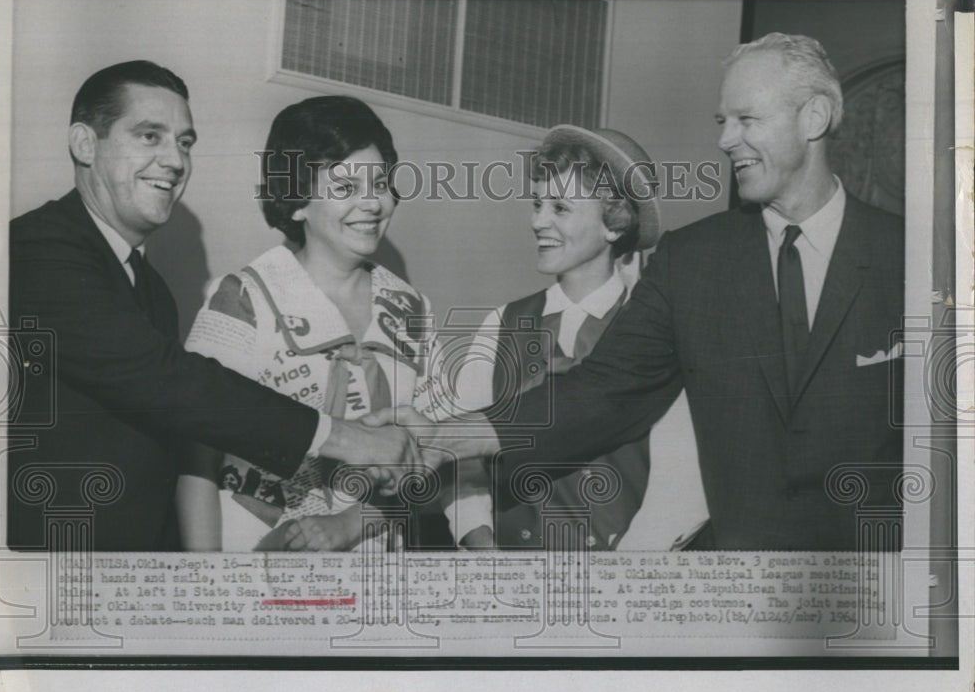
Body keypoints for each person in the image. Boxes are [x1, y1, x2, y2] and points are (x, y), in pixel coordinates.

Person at [369, 33, 904, 551]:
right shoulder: (692, 258)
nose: (724, 140)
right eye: (723, 121)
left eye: (748, 119)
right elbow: (602, 390)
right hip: (734, 589)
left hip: (870, 588)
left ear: (813, 118)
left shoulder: (909, 258)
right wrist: (446, 435)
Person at [7, 62, 418, 552]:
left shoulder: (148, 284)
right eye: (149, 136)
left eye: (184, 142)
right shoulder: (38, 246)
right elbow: (170, 382)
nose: (175, 161)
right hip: (53, 566)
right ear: (84, 143)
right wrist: (348, 438)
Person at [175, 96, 488, 552]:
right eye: (344, 188)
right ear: (297, 200)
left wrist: (359, 521)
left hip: (375, 567)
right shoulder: (244, 297)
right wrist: (208, 589)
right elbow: (195, 457)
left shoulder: (412, 310)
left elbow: (439, 457)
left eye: (379, 184)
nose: (372, 204)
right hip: (253, 560)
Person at [455, 125, 660, 550]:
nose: (537, 221)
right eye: (536, 204)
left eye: (560, 208)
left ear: (614, 222)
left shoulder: (656, 331)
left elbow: (681, 477)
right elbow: (463, 460)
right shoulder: (501, 324)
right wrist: (480, 543)